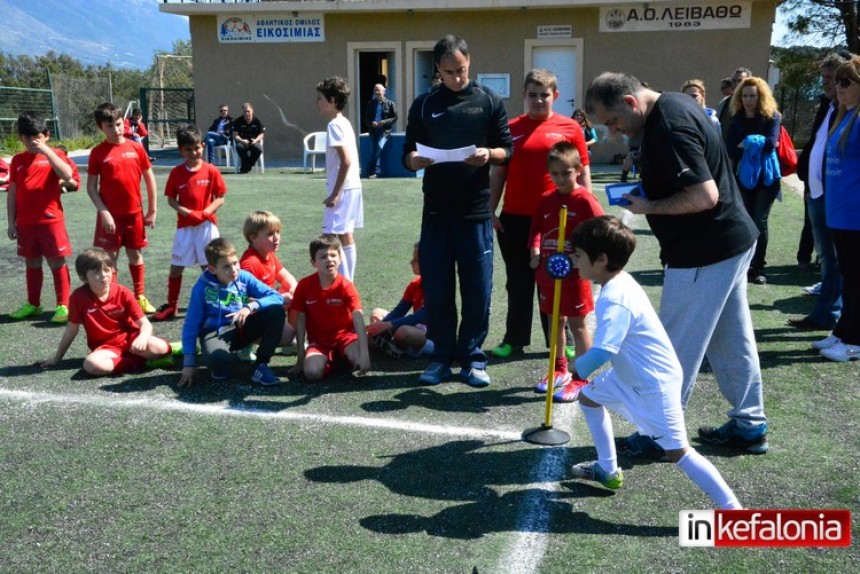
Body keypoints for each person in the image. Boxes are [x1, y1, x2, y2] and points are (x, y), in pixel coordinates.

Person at [585, 72, 768, 456]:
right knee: (731, 339)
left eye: (614, 122)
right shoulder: (672, 104)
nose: (615, 132)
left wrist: (650, 206)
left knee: (669, 348)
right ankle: (749, 424)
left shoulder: (669, 123)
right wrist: (649, 192)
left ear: (631, 103)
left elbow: (704, 195)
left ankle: (659, 434)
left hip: (706, 250)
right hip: (728, 242)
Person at [565, 216, 741, 509]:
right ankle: (608, 470)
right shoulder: (618, 283)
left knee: (678, 453)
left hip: (652, 384)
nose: (574, 260)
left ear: (602, 259)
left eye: (579, 255)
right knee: (589, 398)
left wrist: (576, 367)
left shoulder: (616, 298)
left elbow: (603, 352)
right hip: (629, 377)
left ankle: (732, 510)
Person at [403, 34, 513, 387]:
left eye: (461, 70)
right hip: (436, 213)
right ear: (438, 69)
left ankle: (473, 357)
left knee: (478, 289)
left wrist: (488, 154)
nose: (456, 77)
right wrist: (413, 159)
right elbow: (407, 153)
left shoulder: (488, 100)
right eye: (449, 72)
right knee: (437, 288)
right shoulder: (424, 105)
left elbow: (507, 149)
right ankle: (440, 357)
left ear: (470, 61)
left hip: (475, 213)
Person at [489, 69, 591, 361]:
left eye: (544, 95)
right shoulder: (510, 129)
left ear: (555, 96)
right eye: (532, 95)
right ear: (524, 96)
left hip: (557, 220)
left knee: (559, 280)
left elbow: (582, 172)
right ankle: (514, 339)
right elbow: (499, 173)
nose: (538, 100)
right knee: (518, 281)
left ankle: (560, 340)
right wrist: (490, 211)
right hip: (515, 219)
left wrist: (587, 212)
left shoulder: (570, 128)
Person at [529, 142, 603, 401]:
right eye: (555, 174)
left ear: (578, 170)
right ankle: (558, 369)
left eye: (566, 173)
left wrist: (583, 258)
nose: (561, 179)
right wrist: (536, 250)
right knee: (554, 321)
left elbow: (601, 230)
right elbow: (536, 228)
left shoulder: (585, 200)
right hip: (548, 274)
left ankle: (582, 378)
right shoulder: (547, 199)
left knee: (578, 324)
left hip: (575, 276)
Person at [41, 248, 178, 376]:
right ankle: (142, 361)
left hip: (132, 341)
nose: (104, 276)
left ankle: (173, 348)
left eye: (107, 270)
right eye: (96, 272)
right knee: (91, 365)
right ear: (83, 278)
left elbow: (145, 324)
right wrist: (56, 358)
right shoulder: (78, 297)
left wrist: (142, 337)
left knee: (157, 346)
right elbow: (71, 330)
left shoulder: (123, 292)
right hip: (107, 348)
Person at [788, 53, 846, 332]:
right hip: (816, 193)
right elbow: (815, 145)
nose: (825, 83)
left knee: (835, 260)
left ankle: (829, 315)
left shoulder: (848, 111)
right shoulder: (828, 106)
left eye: (831, 78)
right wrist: (810, 186)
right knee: (826, 259)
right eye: (823, 77)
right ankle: (826, 312)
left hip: (835, 197)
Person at [178, 238, 286, 387]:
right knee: (220, 364)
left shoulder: (243, 277)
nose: (234, 270)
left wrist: (250, 307)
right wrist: (189, 364)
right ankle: (220, 359)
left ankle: (260, 365)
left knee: (276, 312)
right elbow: (190, 325)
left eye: (235, 263)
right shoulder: (201, 288)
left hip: (240, 327)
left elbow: (277, 297)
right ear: (212, 269)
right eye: (226, 267)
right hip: (215, 334)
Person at [6, 112, 80, 323]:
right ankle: (33, 304)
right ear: (21, 138)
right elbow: (12, 194)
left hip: (51, 221)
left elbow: (68, 176)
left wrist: (46, 151)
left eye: (36, 136)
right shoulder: (18, 161)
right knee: (32, 262)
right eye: (27, 137)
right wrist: (12, 222)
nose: (31, 141)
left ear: (46, 135)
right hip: (26, 224)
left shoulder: (55, 154)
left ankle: (63, 306)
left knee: (57, 262)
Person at [86, 102, 158, 314]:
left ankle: (140, 296)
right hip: (110, 217)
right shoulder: (98, 153)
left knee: (135, 254)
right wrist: (104, 212)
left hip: (134, 214)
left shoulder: (136, 147)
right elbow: (91, 187)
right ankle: (113, 298)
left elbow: (149, 178)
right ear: (101, 128)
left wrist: (152, 210)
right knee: (110, 258)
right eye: (110, 126)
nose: (116, 130)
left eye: (118, 124)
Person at [152, 125, 227, 322]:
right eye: (188, 149)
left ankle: (216, 304)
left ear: (202, 146)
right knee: (176, 267)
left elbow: (220, 197)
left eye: (197, 148)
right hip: (185, 228)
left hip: (206, 226)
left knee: (209, 266)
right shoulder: (176, 173)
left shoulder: (211, 170)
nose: (194, 153)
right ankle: (172, 306)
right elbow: (171, 199)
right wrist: (187, 213)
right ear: (181, 150)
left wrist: (204, 212)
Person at [816, 56, 860, 362]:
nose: (839, 87)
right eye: (839, 81)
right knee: (849, 275)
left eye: (846, 81)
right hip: (840, 213)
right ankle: (843, 331)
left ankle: (855, 340)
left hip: (856, 215)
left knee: (857, 279)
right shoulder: (846, 115)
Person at [725, 76, 782, 285]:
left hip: (766, 179)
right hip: (743, 178)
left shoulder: (772, 117)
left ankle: (758, 268)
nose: (749, 100)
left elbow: (771, 143)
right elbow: (731, 148)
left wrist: (747, 142)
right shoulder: (737, 119)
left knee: (759, 221)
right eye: (745, 95)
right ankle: (744, 266)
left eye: (753, 96)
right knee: (745, 221)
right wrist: (752, 143)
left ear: (761, 97)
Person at [290, 235, 370, 381]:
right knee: (312, 373)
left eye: (333, 255)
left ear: (340, 259)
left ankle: (342, 355)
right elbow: (300, 321)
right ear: (313, 262)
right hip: (320, 341)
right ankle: (332, 359)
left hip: (346, 337)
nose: (329, 259)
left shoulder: (346, 286)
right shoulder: (305, 285)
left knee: (359, 360)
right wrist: (300, 357)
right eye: (323, 256)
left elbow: (358, 317)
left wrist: (365, 355)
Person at [316, 76, 364, 282]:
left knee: (331, 237)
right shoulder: (344, 122)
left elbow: (346, 161)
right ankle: (347, 280)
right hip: (352, 187)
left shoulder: (334, 125)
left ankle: (343, 282)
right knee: (345, 234)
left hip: (343, 189)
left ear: (333, 100)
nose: (317, 103)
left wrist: (335, 193)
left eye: (320, 98)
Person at [240, 210, 298, 348]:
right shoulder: (250, 264)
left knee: (296, 295)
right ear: (253, 238)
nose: (276, 237)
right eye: (270, 234)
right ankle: (245, 343)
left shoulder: (268, 254)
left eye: (277, 232)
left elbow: (285, 276)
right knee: (287, 336)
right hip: (253, 312)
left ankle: (290, 343)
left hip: (268, 305)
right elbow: (243, 301)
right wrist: (279, 298)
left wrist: (295, 290)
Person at [366, 242, 433, 358]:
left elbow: (421, 316)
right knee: (377, 313)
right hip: (417, 326)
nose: (411, 262)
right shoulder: (415, 284)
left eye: (415, 260)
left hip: (433, 333)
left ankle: (429, 350)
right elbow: (399, 311)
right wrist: (379, 327)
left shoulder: (438, 286)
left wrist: (388, 325)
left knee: (403, 332)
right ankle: (388, 344)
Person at [363, 83, 397, 178]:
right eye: (375, 90)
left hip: (384, 132)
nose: (377, 92)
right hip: (373, 131)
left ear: (384, 91)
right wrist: (371, 123)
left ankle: (370, 170)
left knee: (378, 148)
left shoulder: (390, 104)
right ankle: (375, 172)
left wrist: (383, 122)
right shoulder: (370, 104)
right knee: (374, 150)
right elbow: (366, 118)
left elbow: (394, 117)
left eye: (379, 90)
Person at [717, 67, 751, 141]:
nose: (736, 83)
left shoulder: (751, 103)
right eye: (734, 80)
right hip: (723, 148)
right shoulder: (724, 102)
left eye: (739, 80)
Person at [232, 102, 265, 173]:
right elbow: (235, 135)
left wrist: (255, 140)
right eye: (245, 112)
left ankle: (247, 166)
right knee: (239, 147)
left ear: (252, 111)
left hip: (254, 141)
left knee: (258, 149)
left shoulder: (257, 121)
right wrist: (242, 141)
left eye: (248, 111)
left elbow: (261, 134)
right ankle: (247, 166)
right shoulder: (238, 121)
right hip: (242, 142)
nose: (247, 113)